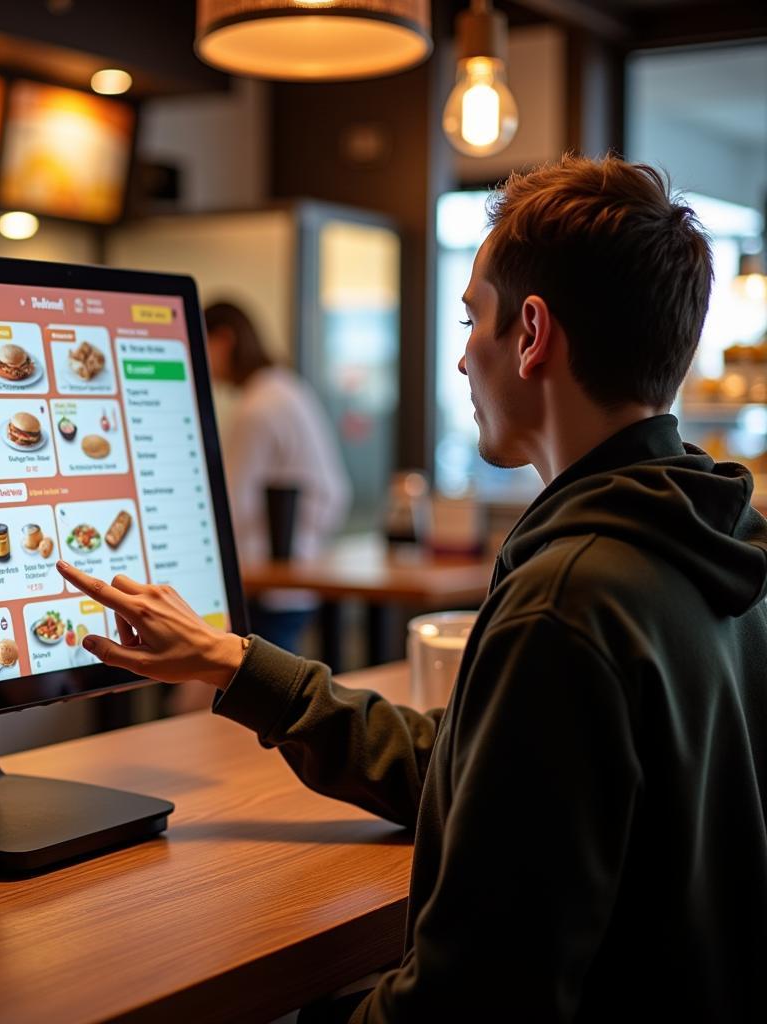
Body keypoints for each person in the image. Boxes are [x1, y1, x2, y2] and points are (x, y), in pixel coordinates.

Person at [55, 155, 767, 1022]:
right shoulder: (713, 543)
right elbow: (472, 774)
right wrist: (233, 662)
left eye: (473, 318)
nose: (464, 356)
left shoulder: (570, 602)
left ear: (532, 333)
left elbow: (468, 1001)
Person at [205, 301, 351, 653]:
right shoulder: (286, 388)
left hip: (267, 578)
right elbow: (336, 492)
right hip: (300, 571)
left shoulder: (257, 407)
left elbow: (231, 505)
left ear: (224, 340)